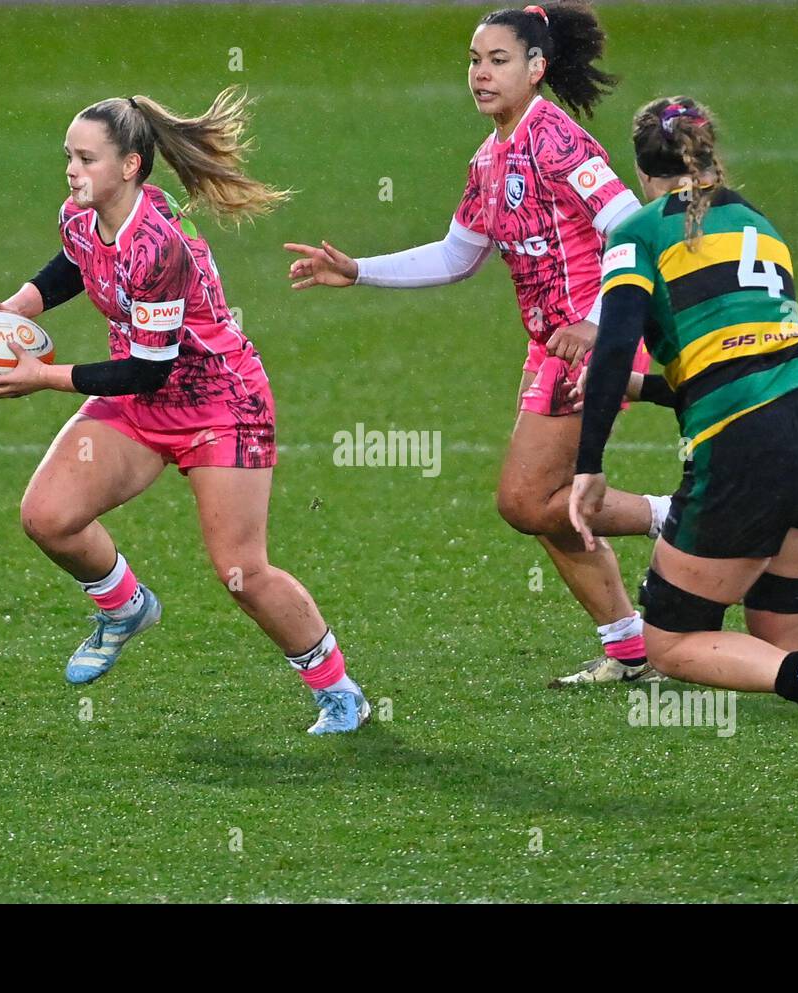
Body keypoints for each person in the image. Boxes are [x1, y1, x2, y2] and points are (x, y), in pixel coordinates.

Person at [570, 96, 798, 841]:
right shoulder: (761, 227)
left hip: (748, 439)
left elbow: (613, 347)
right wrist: (646, 388)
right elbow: (742, 353)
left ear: (644, 168)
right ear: (708, 155)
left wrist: (588, 466)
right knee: (781, 629)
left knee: (670, 641)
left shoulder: (635, 232)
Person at [286, 2, 669, 686]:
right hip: (551, 344)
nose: (480, 73)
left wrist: (606, 324)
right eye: (473, 60)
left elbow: (635, 227)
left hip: (593, 338)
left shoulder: (557, 142)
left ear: (536, 68)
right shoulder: (490, 159)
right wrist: (358, 271)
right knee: (543, 504)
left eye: (497, 60)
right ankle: (630, 649)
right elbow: (457, 255)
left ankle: (680, 516)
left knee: (525, 499)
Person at [0, 88, 370, 735]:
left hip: (221, 403)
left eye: (86, 159)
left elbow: (148, 367)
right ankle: (124, 606)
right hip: (142, 404)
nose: (73, 170)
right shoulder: (82, 215)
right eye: (68, 157)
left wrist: (40, 376)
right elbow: (77, 262)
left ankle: (339, 692)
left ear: (130, 166)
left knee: (242, 572)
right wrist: (22, 303)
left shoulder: (158, 244)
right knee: (47, 516)